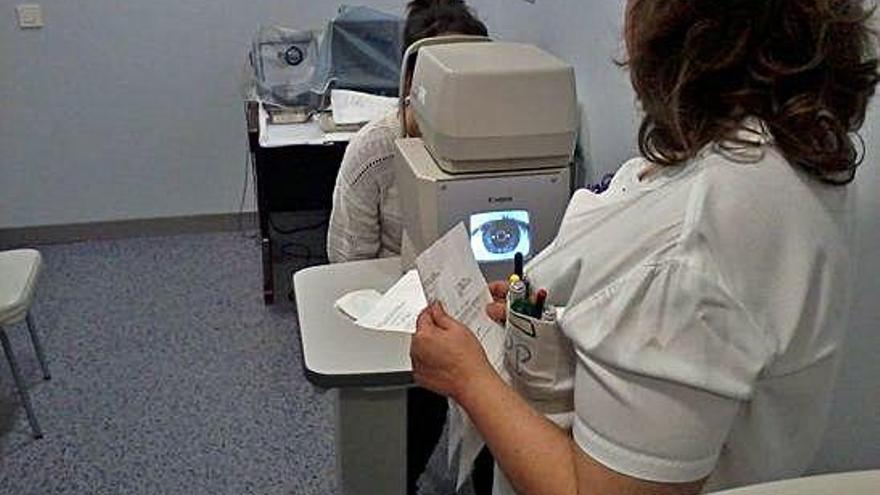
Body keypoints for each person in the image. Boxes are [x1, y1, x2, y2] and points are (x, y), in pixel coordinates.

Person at [411, 1, 879, 495]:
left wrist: (469, 378)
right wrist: (554, 313)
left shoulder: (692, 245)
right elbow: (666, 324)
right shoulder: (785, 154)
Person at [326, 2, 493, 494]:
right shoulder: (373, 152)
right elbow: (348, 267)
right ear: (411, 85)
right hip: (401, 316)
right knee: (409, 425)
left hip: (482, 308)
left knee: (503, 427)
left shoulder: (502, 140)